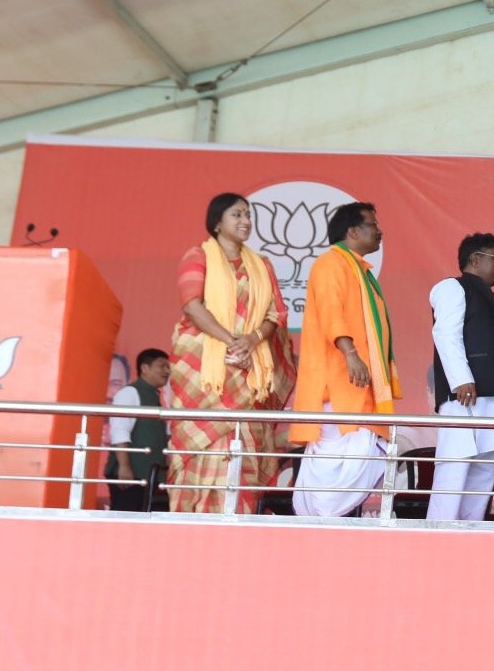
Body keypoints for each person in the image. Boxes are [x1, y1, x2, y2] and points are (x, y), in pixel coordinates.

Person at [166, 192, 296, 514]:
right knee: (205, 445)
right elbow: (192, 305)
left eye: (248, 215)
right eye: (237, 215)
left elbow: (276, 315)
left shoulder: (261, 265)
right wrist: (231, 340)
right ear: (217, 222)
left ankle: (238, 519)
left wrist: (251, 341)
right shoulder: (198, 256)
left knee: (244, 441)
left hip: (249, 367)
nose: (246, 221)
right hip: (203, 369)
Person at [290, 202, 401, 517]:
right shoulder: (331, 264)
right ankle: (321, 526)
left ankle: (323, 524)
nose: (380, 231)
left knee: (358, 460)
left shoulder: (358, 270)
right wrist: (350, 354)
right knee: (336, 467)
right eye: (373, 224)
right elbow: (331, 313)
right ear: (353, 231)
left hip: (355, 387)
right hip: (338, 386)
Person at [427, 234, 494, 523]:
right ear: (475, 259)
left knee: (485, 468)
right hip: (466, 395)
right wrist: (461, 378)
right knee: (456, 463)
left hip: (493, 399)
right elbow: (445, 333)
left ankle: (470, 528)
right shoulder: (452, 287)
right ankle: (440, 529)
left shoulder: (488, 298)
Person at [106, 348, 171, 512]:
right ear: (145, 368)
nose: (167, 371)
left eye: (168, 367)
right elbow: (120, 431)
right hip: (130, 475)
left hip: (149, 476)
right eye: (162, 366)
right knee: (125, 520)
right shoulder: (130, 392)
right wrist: (124, 466)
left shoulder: (157, 397)